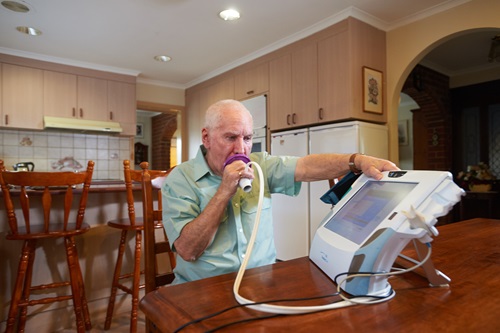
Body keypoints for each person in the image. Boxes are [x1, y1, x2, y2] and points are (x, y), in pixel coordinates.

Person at [162, 99, 399, 284]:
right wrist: (224, 192)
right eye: (231, 137)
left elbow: (306, 166)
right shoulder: (181, 179)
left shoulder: (260, 164)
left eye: (247, 138)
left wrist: (357, 160)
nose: (241, 148)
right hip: (203, 288)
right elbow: (187, 250)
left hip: (262, 282)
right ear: (207, 137)